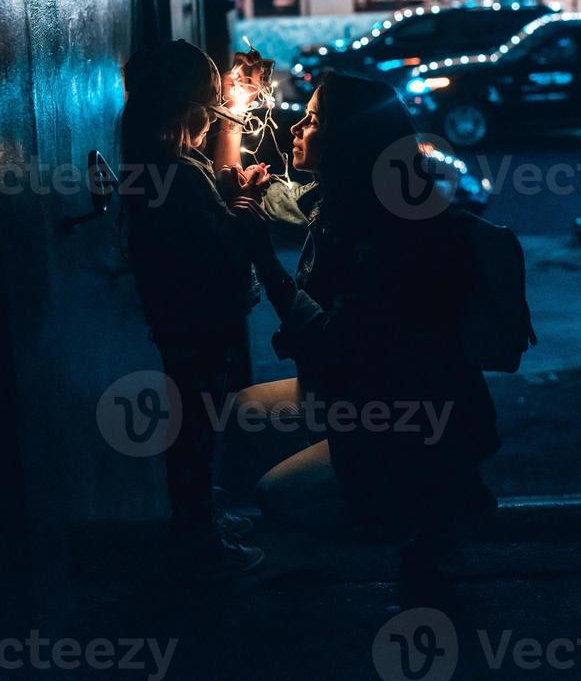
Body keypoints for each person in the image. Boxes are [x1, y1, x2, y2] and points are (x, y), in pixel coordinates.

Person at [225, 72, 501, 543]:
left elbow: (335, 344)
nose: (294, 128)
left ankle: (415, 506)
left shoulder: (395, 232)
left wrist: (265, 260)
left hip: (412, 416)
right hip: (361, 392)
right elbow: (280, 201)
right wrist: (233, 135)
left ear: (348, 141)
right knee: (243, 411)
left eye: (311, 121)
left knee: (278, 496)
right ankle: (385, 488)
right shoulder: (339, 201)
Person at [120, 39, 270, 576]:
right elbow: (219, 252)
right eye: (210, 110)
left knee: (195, 426)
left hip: (185, 326)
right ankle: (197, 542)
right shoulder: (179, 176)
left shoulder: (166, 164)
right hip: (198, 326)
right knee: (195, 431)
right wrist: (246, 205)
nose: (215, 122)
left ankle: (201, 516)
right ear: (185, 110)